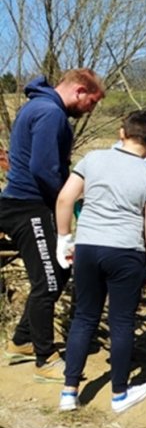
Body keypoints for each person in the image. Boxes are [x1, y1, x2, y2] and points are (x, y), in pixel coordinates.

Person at [54, 110, 146, 413]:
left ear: (121, 133)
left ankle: (69, 391)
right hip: (126, 251)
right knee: (121, 322)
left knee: (84, 317)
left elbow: (65, 199)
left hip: (88, 247)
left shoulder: (92, 160)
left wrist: (64, 238)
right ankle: (119, 393)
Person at [0, 69, 105, 382]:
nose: (91, 109)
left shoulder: (39, 107)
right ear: (79, 90)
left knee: (57, 272)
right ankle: (45, 359)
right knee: (47, 280)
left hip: (30, 204)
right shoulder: (50, 114)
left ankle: (22, 340)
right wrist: (67, 197)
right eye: (92, 102)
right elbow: (44, 168)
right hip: (29, 206)